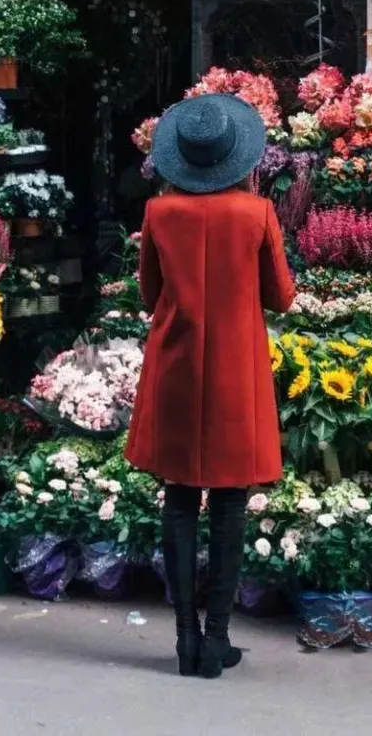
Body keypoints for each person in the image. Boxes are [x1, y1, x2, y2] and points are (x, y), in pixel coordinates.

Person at [125, 93, 295, 678]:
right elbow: (281, 296)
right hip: (234, 369)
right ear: (235, 157)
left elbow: (150, 296)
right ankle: (216, 640)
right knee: (228, 503)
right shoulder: (257, 214)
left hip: (176, 364)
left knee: (178, 499)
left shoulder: (158, 213)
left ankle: (183, 641)